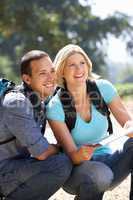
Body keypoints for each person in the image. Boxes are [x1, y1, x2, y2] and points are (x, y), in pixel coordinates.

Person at [46, 44, 133, 200]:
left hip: (108, 161)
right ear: (62, 71)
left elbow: (128, 123)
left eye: (82, 63)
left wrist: (130, 127)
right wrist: (81, 154)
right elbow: (72, 156)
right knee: (100, 175)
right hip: (76, 169)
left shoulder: (104, 88)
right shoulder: (56, 107)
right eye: (71, 65)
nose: (79, 69)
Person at [0, 50, 72, 200]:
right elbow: (42, 152)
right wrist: (62, 148)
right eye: (43, 73)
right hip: (3, 169)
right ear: (27, 78)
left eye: (52, 71)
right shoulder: (17, 103)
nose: (51, 77)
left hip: (15, 165)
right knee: (60, 164)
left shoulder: (39, 101)